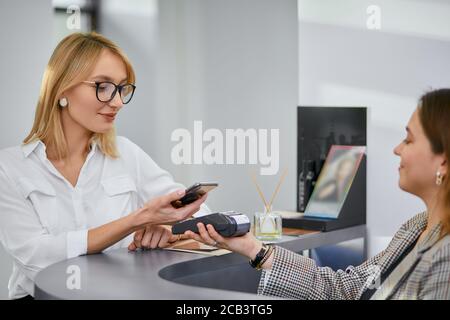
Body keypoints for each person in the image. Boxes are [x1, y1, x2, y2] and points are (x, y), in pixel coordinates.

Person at [0, 32, 210, 300]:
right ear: (62, 89)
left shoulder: (126, 154)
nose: (118, 101)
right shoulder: (9, 168)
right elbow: (37, 258)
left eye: (122, 88)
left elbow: (200, 214)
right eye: (103, 86)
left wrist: (167, 230)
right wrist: (138, 220)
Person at [185, 88, 450, 299]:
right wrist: (255, 249)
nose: (397, 149)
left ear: (443, 161)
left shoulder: (446, 258)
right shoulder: (416, 227)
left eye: (409, 139)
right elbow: (346, 289)